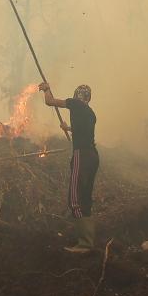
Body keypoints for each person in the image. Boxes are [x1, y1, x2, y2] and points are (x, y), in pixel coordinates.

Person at [38, 82, 99, 253]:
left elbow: (49, 102)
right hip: (93, 156)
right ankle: (88, 241)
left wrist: (46, 89)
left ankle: (85, 244)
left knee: (74, 199)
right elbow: (83, 132)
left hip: (82, 156)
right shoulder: (90, 113)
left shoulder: (75, 104)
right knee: (85, 198)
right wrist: (68, 128)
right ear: (89, 98)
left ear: (76, 96)